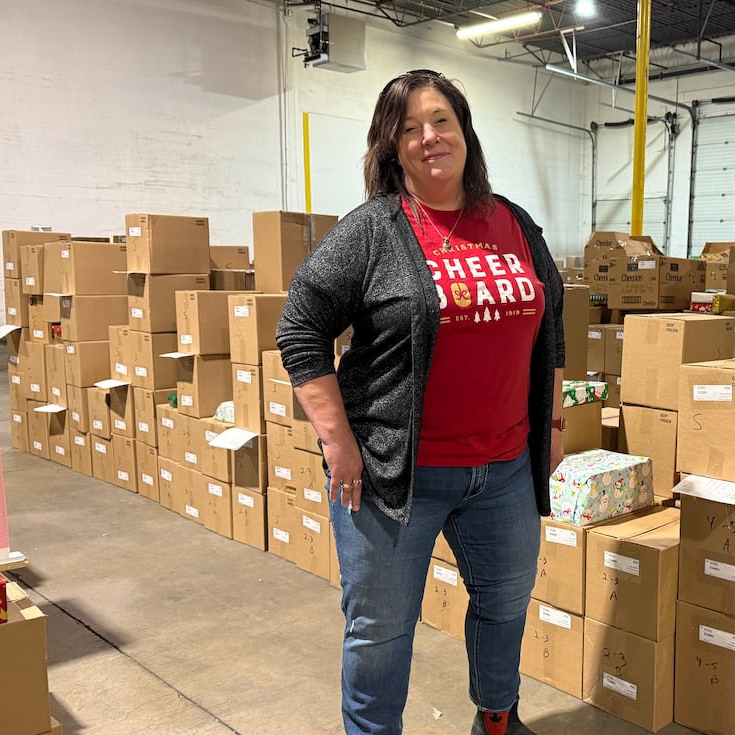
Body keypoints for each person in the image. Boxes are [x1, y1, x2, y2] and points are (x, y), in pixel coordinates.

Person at [276, 69, 565, 735]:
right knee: (380, 634)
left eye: (441, 121)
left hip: (503, 471)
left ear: (465, 131)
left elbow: (552, 322)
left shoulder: (513, 223)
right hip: (392, 476)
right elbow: (300, 325)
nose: (429, 137)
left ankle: (498, 720)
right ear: (390, 146)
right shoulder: (374, 230)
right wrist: (337, 441)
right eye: (409, 128)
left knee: (505, 602)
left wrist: (552, 424)